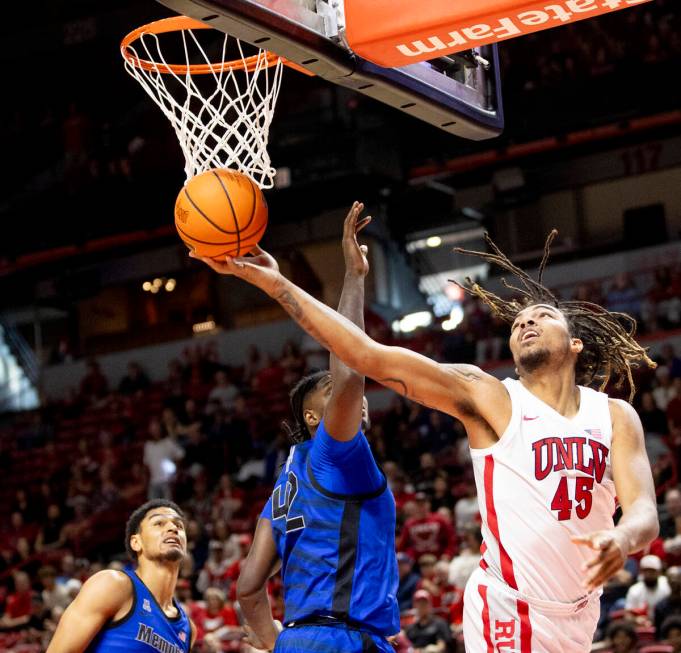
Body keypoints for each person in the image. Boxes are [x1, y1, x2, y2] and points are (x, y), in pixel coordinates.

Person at [194, 228, 659, 651]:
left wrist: (622, 537)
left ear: (575, 343)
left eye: (541, 316)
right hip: (508, 605)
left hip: (580, 610)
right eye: (517, 323)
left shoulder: (616, 415)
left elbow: (644, 513)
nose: (524, 323)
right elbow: (364, 355)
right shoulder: (489, 396)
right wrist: (277, 286)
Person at [235, 203, 399, 652]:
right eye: (334, 395)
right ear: (313, 418)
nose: (356, 396)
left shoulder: (283, 489)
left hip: (298, 639)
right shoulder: (332, 452)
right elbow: (351, 363)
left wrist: (277, 645)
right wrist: (354, 277)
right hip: (343, 639)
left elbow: (249, 588)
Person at [46, 499, 195, 652]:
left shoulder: (188, 629)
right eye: (159, 523)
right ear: (136, 542)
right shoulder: (112, 585)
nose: (173, 528)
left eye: (179, 525)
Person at [624, 554, 670, 621]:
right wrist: (636, 619)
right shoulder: (634, 590)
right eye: (646, 571)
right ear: (641, 572)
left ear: (659, 572)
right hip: (642, 627)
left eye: (652, 571)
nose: (649, 574)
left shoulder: (667, 585)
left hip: (664, 623)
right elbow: (627, 614)